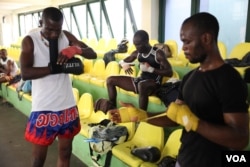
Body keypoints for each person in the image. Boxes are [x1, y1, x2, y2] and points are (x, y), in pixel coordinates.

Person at [108, 12, 249, 167]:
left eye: (187, 42)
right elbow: (175, 117)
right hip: (185, 158)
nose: (183, 48)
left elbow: (240, 139)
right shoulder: (189, 78)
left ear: (206, 39)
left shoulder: (229, 79)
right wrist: (144, 116)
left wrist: (195, 123)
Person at [19, 7, 97, 167]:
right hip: (43, 107)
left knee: (65, 152)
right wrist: (53, 68)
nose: (54, 34)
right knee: (38, 159)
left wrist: (76, 49)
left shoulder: (66, 36)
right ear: (41, 23)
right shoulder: (30, 41)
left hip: (67, 105)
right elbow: (25, 73)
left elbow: (92, 54)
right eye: (49, 29)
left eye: (58, 29)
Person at [106, 30, 173, 111]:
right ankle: (112, 109)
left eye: (139, 45)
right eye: (135, 45)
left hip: (154, 84)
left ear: (146, 42)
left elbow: (169, 72)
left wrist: (151, 69)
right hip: (141, 81)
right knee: (110, 80)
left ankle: (141, 116)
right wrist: (123, 65)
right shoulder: (137, 52)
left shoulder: (158, 53)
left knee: (142, 85)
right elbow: (122, 61)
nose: (136, 47)